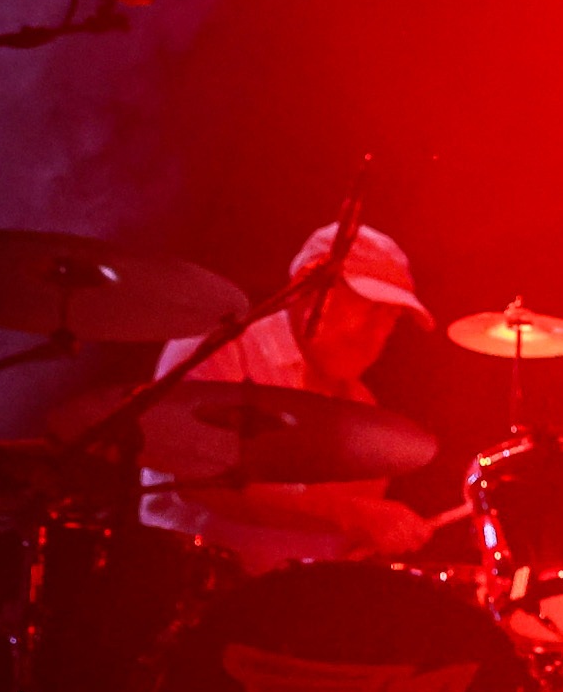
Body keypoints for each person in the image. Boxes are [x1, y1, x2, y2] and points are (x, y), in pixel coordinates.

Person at [140, 220, 444, 573]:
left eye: (391, 317)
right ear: (308, 291)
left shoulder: (365, 412)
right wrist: (353, 514)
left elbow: (344, 546)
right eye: (368, 307)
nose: (377, 332)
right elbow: (203, 481)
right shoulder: (221, 348)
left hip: (293, 611)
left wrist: (376, 536)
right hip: (186, 587)